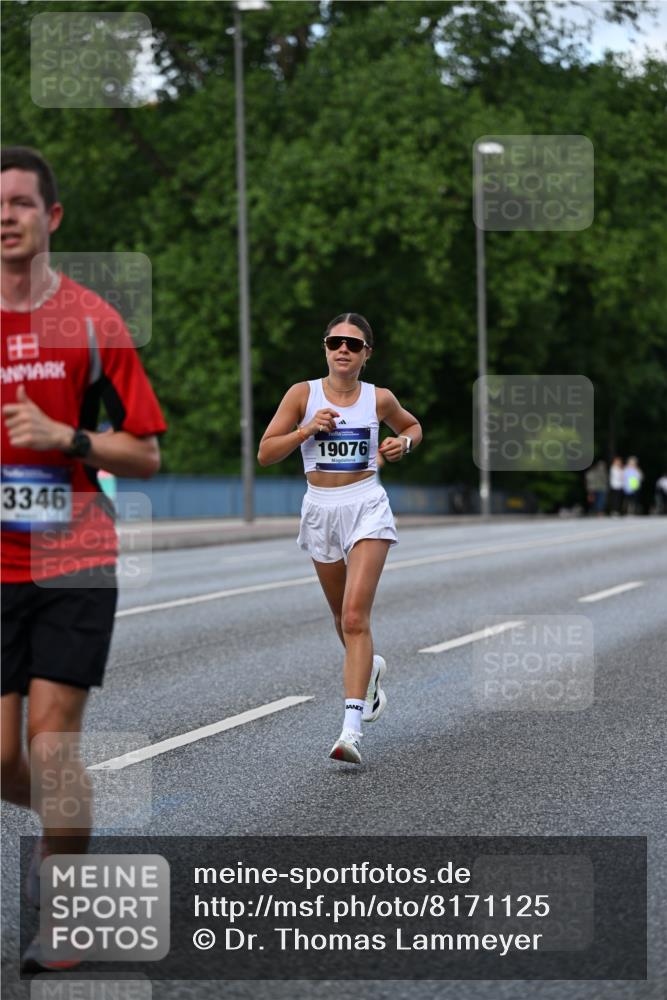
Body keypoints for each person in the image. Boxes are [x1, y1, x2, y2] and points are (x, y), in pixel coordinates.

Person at [1, 146, 167, 971]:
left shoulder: (94, 323)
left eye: (22, 203)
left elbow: (144, 454)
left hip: (74, 557)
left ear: (51, 218)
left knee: (53, 744)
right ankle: (66, 835)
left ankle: (64, 911)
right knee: (3, 759)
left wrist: (67, 438)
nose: (5, 217)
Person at [258, 313, 422, 765]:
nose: (342, 350)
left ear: (367, 353)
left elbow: (412, 427)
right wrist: (306, 429)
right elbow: (266, 453)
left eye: (353, 344)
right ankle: (369, 674)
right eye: (335, 342)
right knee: (339, 617)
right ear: (326, 349)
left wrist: (403, 445)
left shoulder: (378, 398)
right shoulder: (302, 395)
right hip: (319, 511)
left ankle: (351, 730)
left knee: (354, 616)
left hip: (366, 504)